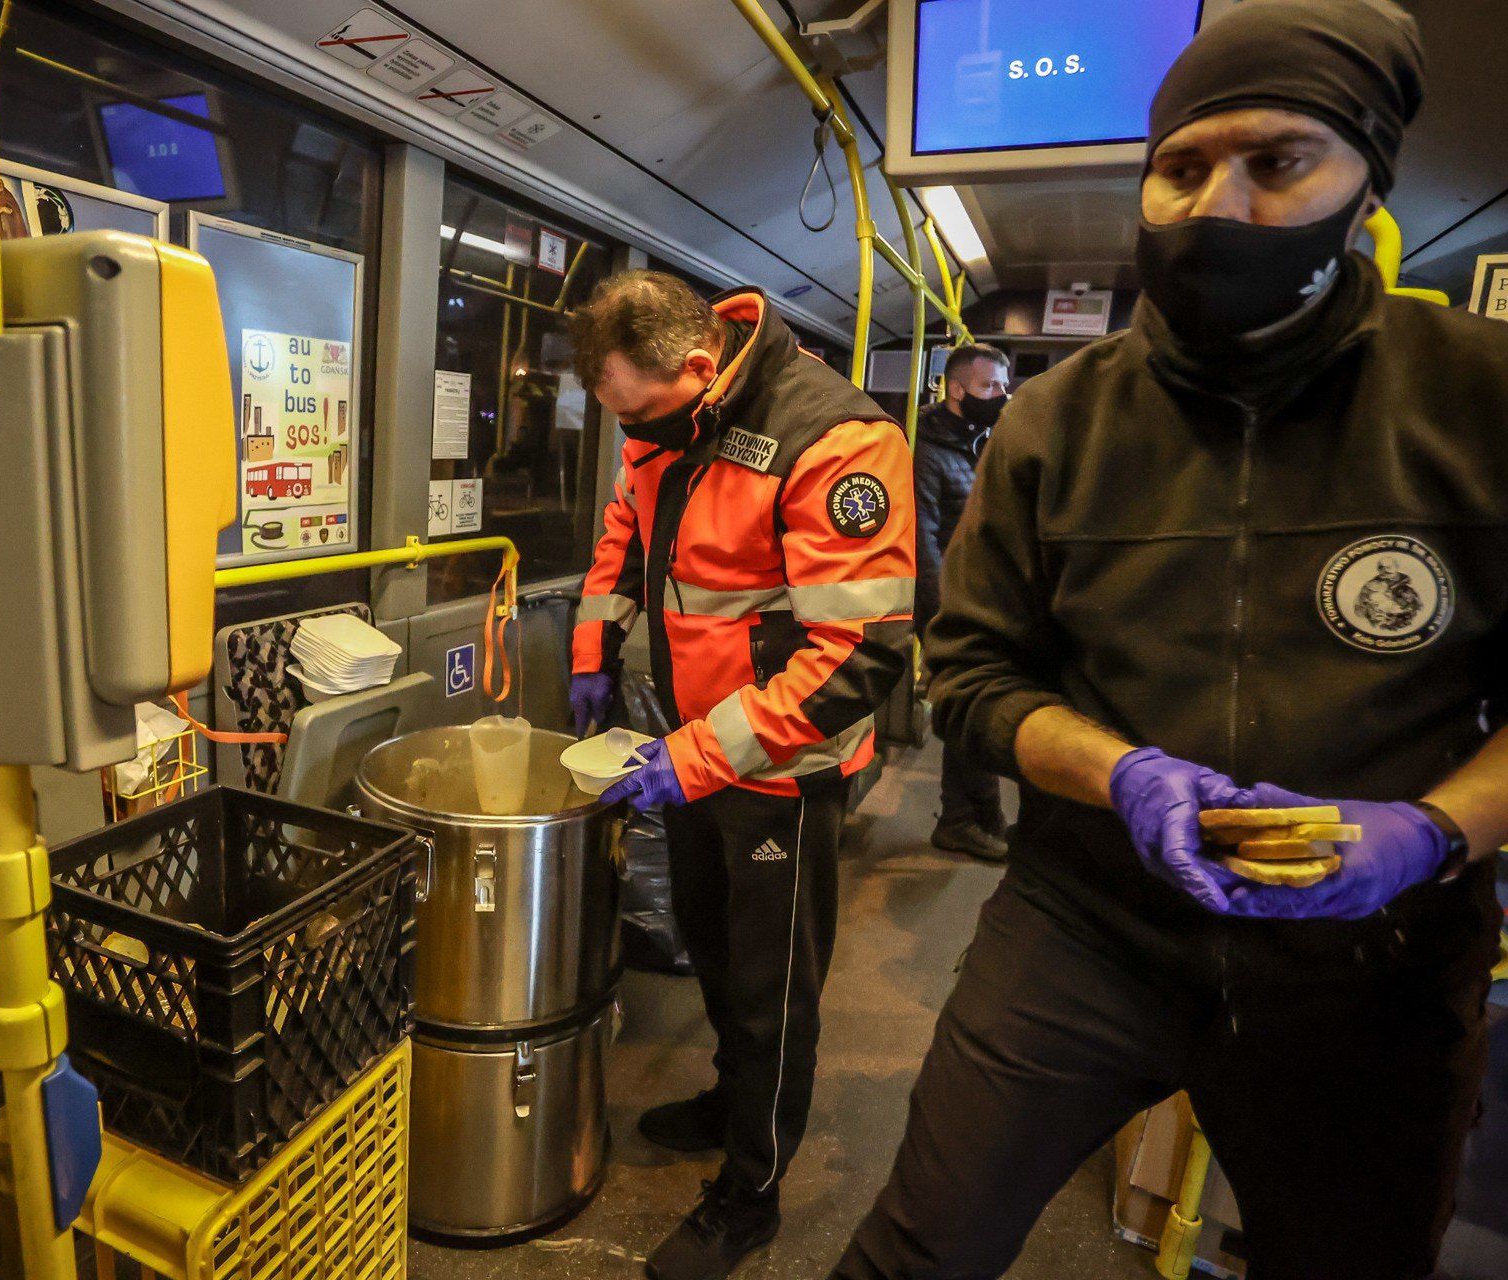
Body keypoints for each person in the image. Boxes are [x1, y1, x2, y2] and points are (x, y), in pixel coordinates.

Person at [832, 3, 1508, 1278]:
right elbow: (971, 673)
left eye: (1278, 161)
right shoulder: (1059, 424)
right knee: (916, 1249)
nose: (1218, 206)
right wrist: (1121, 774)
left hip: (1376, 962)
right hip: (1088, 925)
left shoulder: (1479, 400)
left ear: (1371, 181)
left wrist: (1433, 831)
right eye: (1184, 167)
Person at [566, 271, 915, 1280]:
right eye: (619, 418)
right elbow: (625, 534)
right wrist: (596, 651)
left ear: (697, 366)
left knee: (772, 985)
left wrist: (691, 755)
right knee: (713, 946)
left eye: (643, 413)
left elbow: (857, 656)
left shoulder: (837, 441)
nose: (636, 434)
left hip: (780, 767)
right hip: (692, 753)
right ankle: (732, 1096)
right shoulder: (661, 419)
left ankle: (751, 1191)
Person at [914, 343, 1011, 861]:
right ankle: (959, 818)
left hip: (978, 598)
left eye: (1002, 385)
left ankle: (984, 812)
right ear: (956, 391)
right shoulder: (927, 449)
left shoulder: (981, 440)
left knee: (981, 702)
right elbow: (923, 541)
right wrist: (939, 620)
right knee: (970, 703)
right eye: (989, 386)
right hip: (947, 604)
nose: (1001, 395)